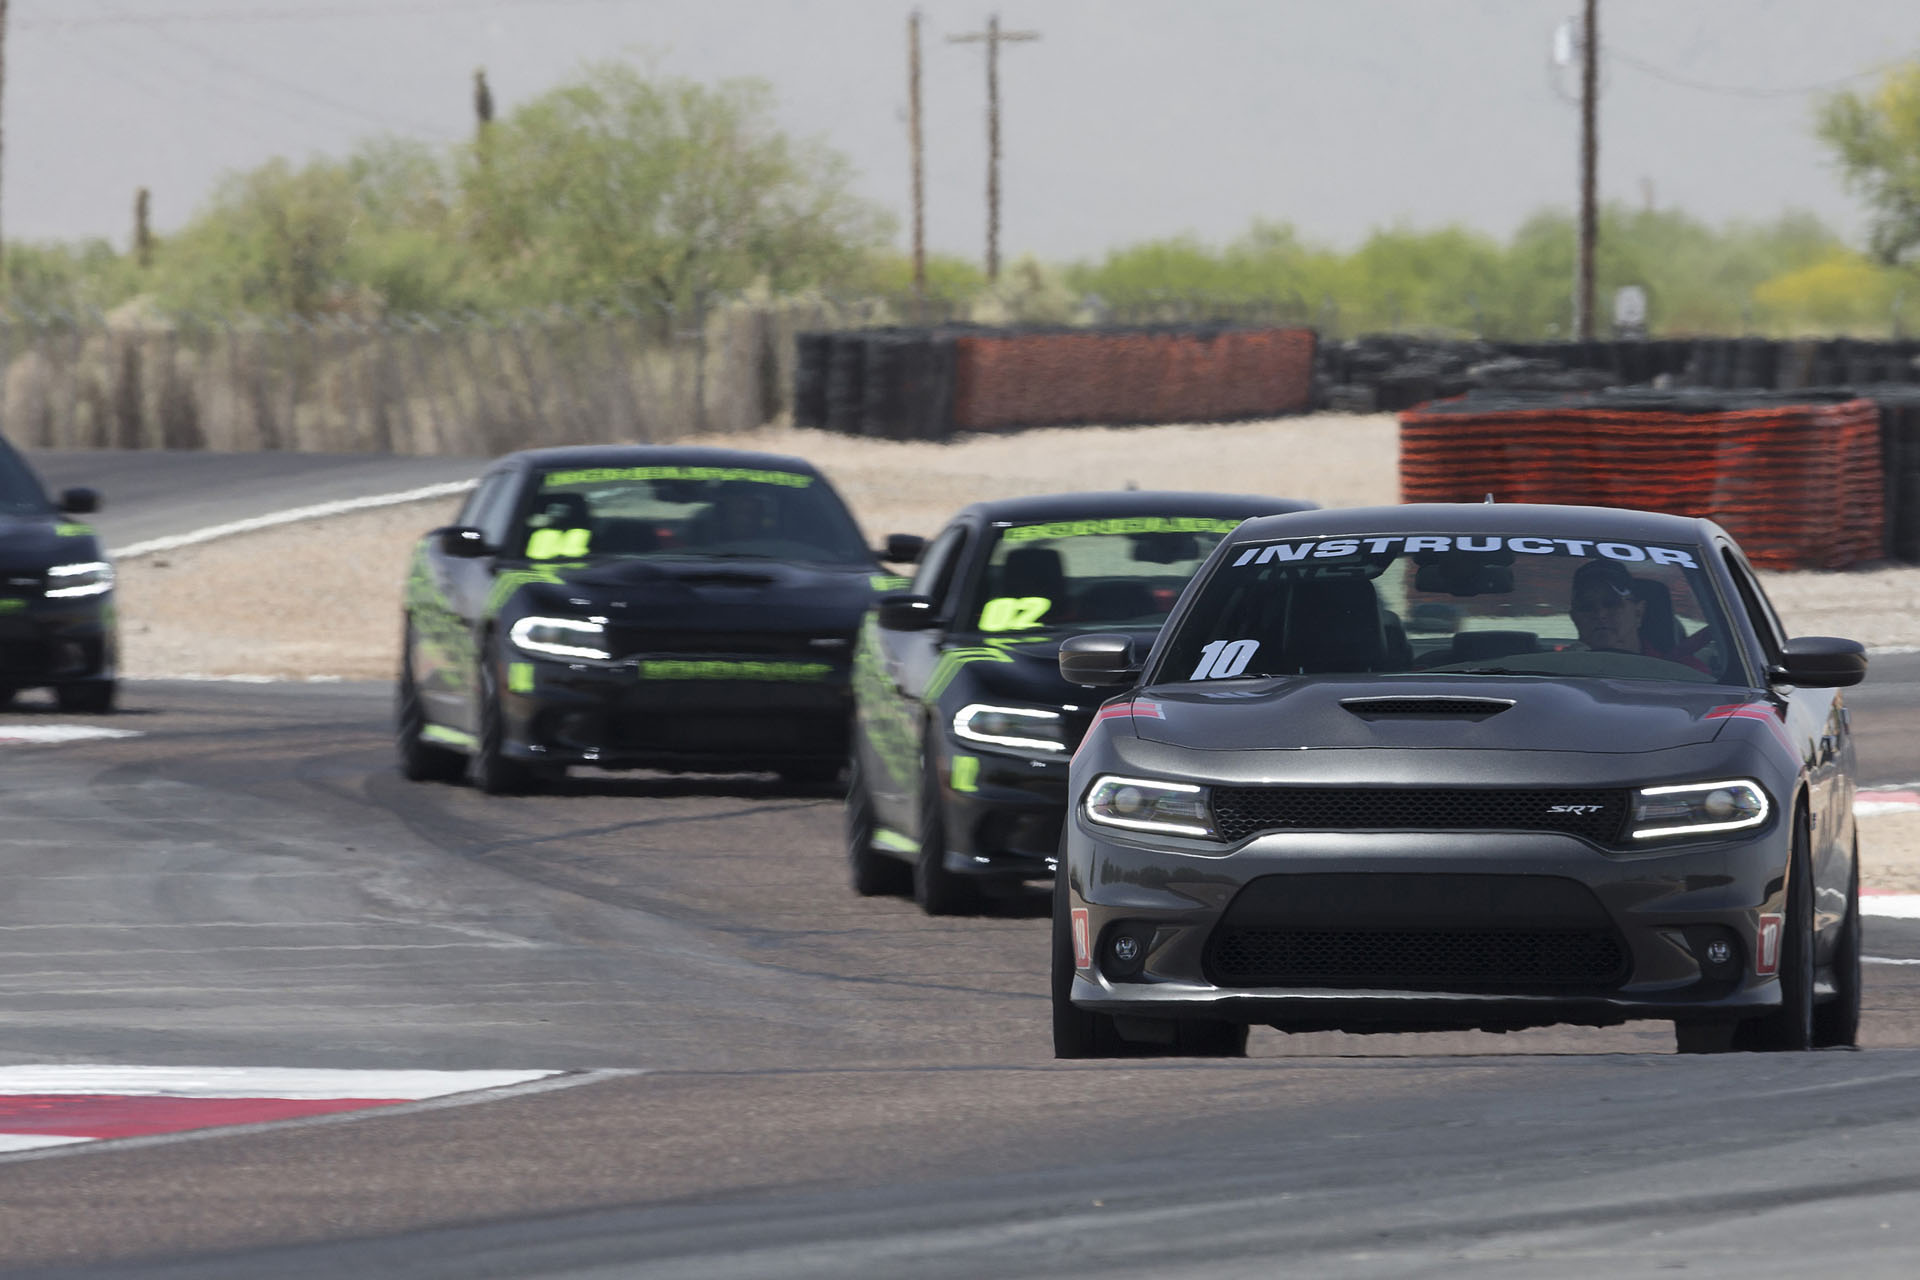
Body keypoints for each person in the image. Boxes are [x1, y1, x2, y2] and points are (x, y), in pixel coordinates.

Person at [1568, 558, 1708, 671]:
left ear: (1638, 612)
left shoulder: (1686, 673)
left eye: (1612, 604)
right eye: (1586, 607)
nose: (1600, 614)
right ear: (1574, 618)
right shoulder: (1559, 671)